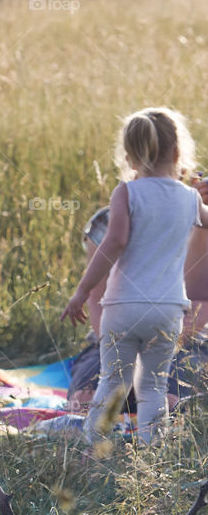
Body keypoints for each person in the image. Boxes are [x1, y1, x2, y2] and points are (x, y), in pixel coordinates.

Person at [62, 107, 208, 444]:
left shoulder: (125, 194)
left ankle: (92, 453)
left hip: (123, 309)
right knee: (154, 386)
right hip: (168, 313)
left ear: (128, 159)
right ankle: (152, 456)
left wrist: (81, 292)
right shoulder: (189, 200)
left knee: (111, 382)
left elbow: (115, 242)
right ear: (177, 154)